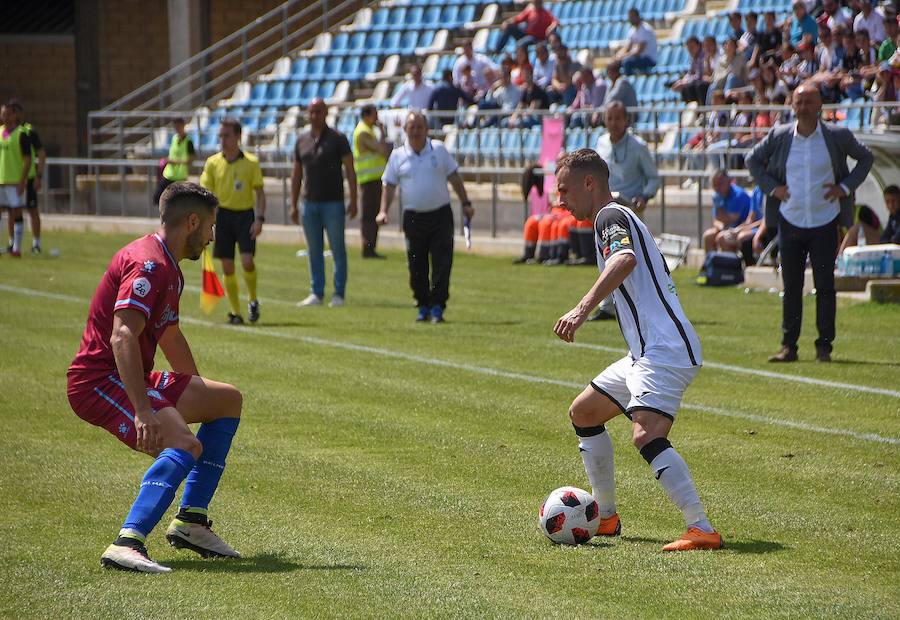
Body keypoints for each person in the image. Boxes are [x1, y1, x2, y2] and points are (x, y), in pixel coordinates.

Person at [66, 182, 242, 573]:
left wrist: (195, 391)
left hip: (129, 374)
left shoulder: (170, 267)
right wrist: (144, 411)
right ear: (192, 222)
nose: (212, 237)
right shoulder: (149, 264)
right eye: (210, 227)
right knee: (182, 441)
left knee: (227, 400)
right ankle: (128, 541)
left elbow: (170, 335)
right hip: (98, 380)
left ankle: (191, 522)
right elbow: (122, 335)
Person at [552, 148, 721, 552]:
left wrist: (580, 309)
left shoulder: (610, 216)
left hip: (664, 352)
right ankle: (606, 517)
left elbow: (624, 259)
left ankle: (701, 528)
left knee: (646, 434)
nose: (560, 201)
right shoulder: (614, 217)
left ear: (589, 182)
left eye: (564, 190)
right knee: (584, 412)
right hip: (645, 353)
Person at [746, 83, 874, 363]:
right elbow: (752, 159)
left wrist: (845, 187)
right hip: (790, 220)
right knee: (791, 287)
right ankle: (788, 347)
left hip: (825, 221)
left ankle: (824, 347)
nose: (803, 107)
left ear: (820, 106)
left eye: (809, 102)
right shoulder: (780, 136)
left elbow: (866, 158)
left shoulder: (837, 136)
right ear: (792, 105)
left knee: (825, 287)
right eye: (799, 102)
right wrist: (773, 188)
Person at [376, 111, 474, 323]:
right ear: (405, 130)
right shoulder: (398, 156)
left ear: (426, 129)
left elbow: (454, 177)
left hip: (440, 215)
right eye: (412, 127)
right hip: (413, 217)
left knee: (442, 262)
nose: (416, 131)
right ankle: (422, 305)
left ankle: (438, 305)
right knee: (416, 264)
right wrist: (384, 210)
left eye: (420, 127)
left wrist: (466, 203)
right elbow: (389, 185)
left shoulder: (438, 150)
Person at [591, 101, 660, 320]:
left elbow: (653, 178)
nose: (613, 123)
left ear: (626, 120)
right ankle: (607, 306)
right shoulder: (600, 143)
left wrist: (645, 196)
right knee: (605, 258)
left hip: (630, 210)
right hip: (605, 210)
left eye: (618, 118)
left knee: (632, 260)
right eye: (609, 118)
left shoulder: (638, 146)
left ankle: (642, 305)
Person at [291, 98, 357, 308]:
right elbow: (296, 174)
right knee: (314, 250)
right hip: (308, 204)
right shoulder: (301, 140)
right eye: (311, 112)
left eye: (318, 112)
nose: (314, 116)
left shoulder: (338, 139)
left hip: (333, 203)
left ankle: (339, 293)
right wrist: (293, 204)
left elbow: (350, 170)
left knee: (338, 249)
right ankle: (316, 292)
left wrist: (354, 199)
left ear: (326, 113)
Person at [199, 117, 265, 325]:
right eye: (220, 135)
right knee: (227, 266)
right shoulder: (212, 163)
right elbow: (206, 194)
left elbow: (260, 194)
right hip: (223, 216)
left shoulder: (251, 163)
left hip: (245, 216)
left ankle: (253, 300)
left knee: (247, 261)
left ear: (238, 136)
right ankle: (235, 312)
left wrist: (260, 219)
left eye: (227, 135)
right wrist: (208, 222)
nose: (223, 139)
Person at [352, 104, 391, 259]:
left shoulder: (366, 131)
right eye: (375, 114)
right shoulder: (363, 132)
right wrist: (382, 132)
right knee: (370, 215)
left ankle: (370, 247)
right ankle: (368, 248)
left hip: (373, 179)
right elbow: (381, 150)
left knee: (373, 214)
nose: (377, 118)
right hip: (369, 180)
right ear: (367, 115)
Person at [0, 100, 32, 257]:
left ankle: (17, 248)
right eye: (2, 114)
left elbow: (27, 160)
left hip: (14, 182)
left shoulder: (21, 134)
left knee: (17, 213)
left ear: (13, 115)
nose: (4, 117)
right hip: (1, 181)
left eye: (7, 114)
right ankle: (4, 245)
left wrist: (22, 181)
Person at [702, 170, 752, 253]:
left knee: (722, 238)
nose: (717, 188)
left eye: (720, 184)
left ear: (729, 182)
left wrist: (720, 215)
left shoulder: (738, 195)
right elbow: (716, 220)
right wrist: (721, 226)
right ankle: (711, 264)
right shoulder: (718, 195)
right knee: (708, 236)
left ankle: (728, 264)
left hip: (743, 227)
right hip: (727, 227)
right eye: (714, 185)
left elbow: (732, 219)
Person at [19, 101, 46, 253]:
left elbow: (41, 154)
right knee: (11, 211)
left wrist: (38, 176)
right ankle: (13, 243)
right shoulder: (3, 132)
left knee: (32, 210)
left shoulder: (29, 131)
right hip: (8, 180)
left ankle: (36, 243)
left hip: (28, 179)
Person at [154, 117, 195, 207]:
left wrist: (175, 161)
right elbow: (172, 154)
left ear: (183, 125)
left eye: (178, 126)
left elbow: (191, 160)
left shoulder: (189, 142)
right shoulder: (174, 138)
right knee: (157, 198)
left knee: (180, 203)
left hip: (180, 177)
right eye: (175, 126)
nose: (176, 128)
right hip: (168, 175)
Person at [615, 8, 658, 75]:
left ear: (637, 16)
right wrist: (618, 56)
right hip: (639, 58)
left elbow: (639, 51)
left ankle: (627, 82)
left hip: (649, 59)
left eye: (632, 17)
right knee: (615, 63)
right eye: (630, 17)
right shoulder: (633, 30)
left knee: (627, 62)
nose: (630, 19)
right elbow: (627, 47)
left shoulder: (645, 29)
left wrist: (624, 56)